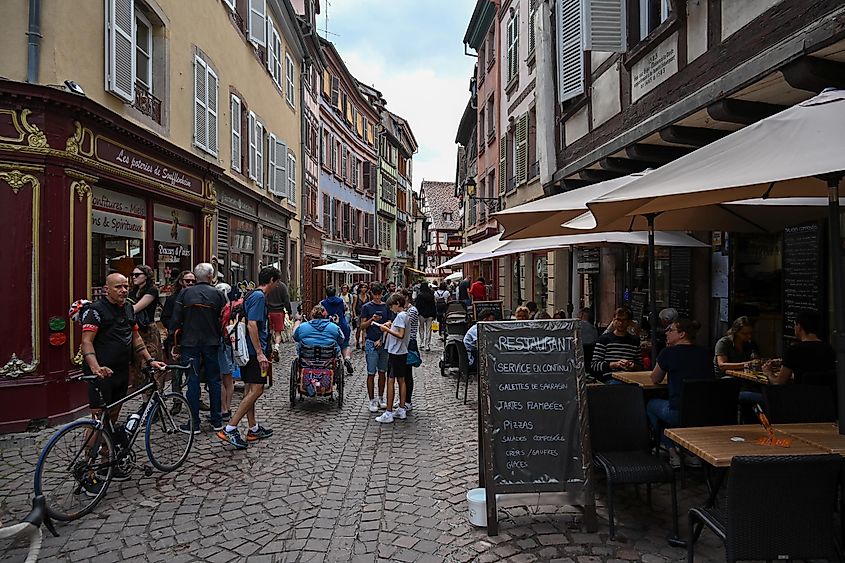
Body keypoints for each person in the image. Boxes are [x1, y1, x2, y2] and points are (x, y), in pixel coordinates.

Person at [80, 273, 167, 483]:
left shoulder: (128, 307)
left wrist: (149, 360)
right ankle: (87, 470)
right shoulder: (95, 311)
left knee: (111, 418)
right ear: (106, 289)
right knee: (97, 420)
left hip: (121, 371)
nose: (124, 290)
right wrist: (95, 367)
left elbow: (135, 336)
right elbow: (86, 342)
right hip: (100, 375)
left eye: (126, 286)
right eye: (118, 287)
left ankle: (107, 463)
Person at [218, 266, 280, 449]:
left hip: (248, 349)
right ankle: (230, 428)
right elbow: (252, 324)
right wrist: (260, 353)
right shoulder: (260, 297)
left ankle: (253, 428)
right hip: (253, 352)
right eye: (277, 282)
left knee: (249, 389)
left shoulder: (252, 295)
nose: (277, 286)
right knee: (257, 390)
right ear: (271, 281)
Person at [647, 318, 713, 467]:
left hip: (679, 413)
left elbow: (655, 378)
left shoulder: (668, 353)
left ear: (682, 334)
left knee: (651, 405)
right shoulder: (705, 353)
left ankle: (672, 453)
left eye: (670, 330)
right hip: (706, 413)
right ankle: (692, 454)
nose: (666, 333)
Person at [171, 263, 227, 433]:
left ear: (195, 277)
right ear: (210, 277)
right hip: (212, 342)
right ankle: (216, 420)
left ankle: (193, 422)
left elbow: (175, 320)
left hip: (190, 342)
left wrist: (174, 344)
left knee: (192, 381)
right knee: (214, 381)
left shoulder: (185, 293)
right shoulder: (218, 294)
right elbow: (224, 318)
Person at [764, 309, 835, 385]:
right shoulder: (829, 349)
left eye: (795, 324)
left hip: (800, 395)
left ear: (799, 327)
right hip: (824, 396)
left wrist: (768, 372)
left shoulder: (794, 350)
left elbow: (778, 383)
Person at [375, 294, 410, 423]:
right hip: (402, 351)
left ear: (397, 304)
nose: (390, 308)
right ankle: (401, 409)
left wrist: (386, 329)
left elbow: (400, 335)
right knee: (401, 380)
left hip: (396, 351)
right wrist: (391, 325)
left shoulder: (400, 316)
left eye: (391, 305)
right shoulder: (404, 316)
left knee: (391, 380)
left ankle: (388, 412)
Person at [359, 283, 393, 413]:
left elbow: (390, 323)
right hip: (371, 342)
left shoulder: (386, 307)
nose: (378, 297)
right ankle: (371, 399)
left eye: (379, 295)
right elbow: (362, 326)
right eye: (375, 294)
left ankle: (380, 398)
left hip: (383, 343)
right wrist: (371, 320)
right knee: (371, 373)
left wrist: (383, 336)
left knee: (383, 372)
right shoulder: (366, 307)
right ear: (371, 294)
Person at [128, 264, 163, 390]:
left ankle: (154, 397)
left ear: (146, 276)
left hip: (147, 330)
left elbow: (136, 308)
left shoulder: (152, 290)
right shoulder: (133, 291)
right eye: (132, 275)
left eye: (137, 275)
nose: (134, 277)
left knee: (149, 362)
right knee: (138, 365)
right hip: (136, 329)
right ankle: (144, 400)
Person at [160, 270, 196, 392]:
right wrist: (176, 327)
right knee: (176, 373)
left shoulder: (197, 297)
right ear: (181, 282)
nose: (190, 283)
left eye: (193, 281)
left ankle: (194, 398)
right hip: (176, 340)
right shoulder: (173, 299)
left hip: (193, 339)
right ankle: (177, 400)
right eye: (188, 281)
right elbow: (164, 318)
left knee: (193, 370)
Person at [591, 307, 641, 381]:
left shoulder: (634, 341)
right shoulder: (604, 340)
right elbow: (594, 365)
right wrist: (613, 364)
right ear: (613, 320)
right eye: (618, 319)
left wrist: (632, 365)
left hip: (631, 378)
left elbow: (640, 365)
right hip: (610, 378)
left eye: (624, 320)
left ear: (629, 322)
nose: (620, 323)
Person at [321, 286, 353, 375]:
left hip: (328, 327)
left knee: (328, 344)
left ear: (326, 293)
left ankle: (329, 363)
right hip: (342, 325)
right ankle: (346, 358)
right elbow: (346, 309)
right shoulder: (340, 301)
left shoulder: (323, 303)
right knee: (345, 344)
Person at [215, 282, 236, 423]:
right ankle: (226, 408)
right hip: (229, 344)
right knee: (228, 379)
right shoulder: (232, 307)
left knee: (223, 379)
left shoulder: (221, 309)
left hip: (222, 344)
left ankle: (224, 409)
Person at [401, 289, 419, 410]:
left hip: (409, 343)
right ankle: (403, 399)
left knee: (407, 373)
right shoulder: (406, 310)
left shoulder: (412, 311)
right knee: (402, 373)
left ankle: (408, 400)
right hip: (404, 342)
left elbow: (405, 326)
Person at [266, 279, 292, 362]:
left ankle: (269, 349)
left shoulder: (268, 285)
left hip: (269, 312)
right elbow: (286, 300)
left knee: (269, 331)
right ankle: (276, 347)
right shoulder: (282, 286)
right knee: (278, 333)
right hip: (279, 312)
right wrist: (290, 312)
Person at [415, 282, 436, 351]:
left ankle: (421, 343)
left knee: (421, 328)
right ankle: (427, 345)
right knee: (428, 330)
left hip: (421, 314)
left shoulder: (419, 296)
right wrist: (434, 315)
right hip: (430, 314)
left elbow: (417, 306)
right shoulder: (431, 295)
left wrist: (418, 313)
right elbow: (433, 306)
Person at [352, 283, 371, 349]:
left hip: (366, 315)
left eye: (365, 287)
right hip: (359, 314)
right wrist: (354, 316)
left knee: (364, 330)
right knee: (358, 330)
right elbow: (354, 307)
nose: (364, 289)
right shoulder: (356, 296)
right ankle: (357, 341)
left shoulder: (368, 296)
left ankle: (363, 344)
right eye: (362, 287)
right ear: (360, 288)